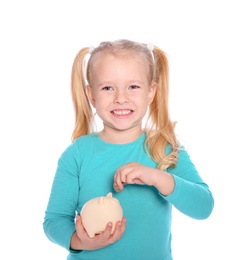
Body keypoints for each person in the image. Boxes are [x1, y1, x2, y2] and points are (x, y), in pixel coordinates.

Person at [43, 39, 214, 260]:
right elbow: (54, 221)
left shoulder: (164, 150)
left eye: (133, 87)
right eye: (107, 88)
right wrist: (79, 241)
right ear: (91, 95)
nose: (120, 98)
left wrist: (157, 177)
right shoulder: (77, 155)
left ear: (150, 92)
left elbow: (204, 207)